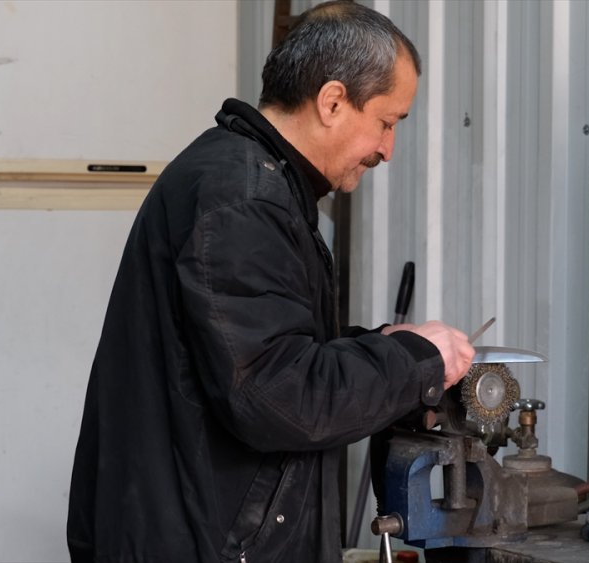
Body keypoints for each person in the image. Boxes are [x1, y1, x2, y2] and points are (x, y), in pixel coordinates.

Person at [66, 2, 475, 561]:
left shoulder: (257, 184)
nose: (387, 149)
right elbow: (279, 395)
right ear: (332, 101)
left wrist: (377, 346)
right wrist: (412, 360)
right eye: (386, 122)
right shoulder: (244, 200)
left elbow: (268, 350)